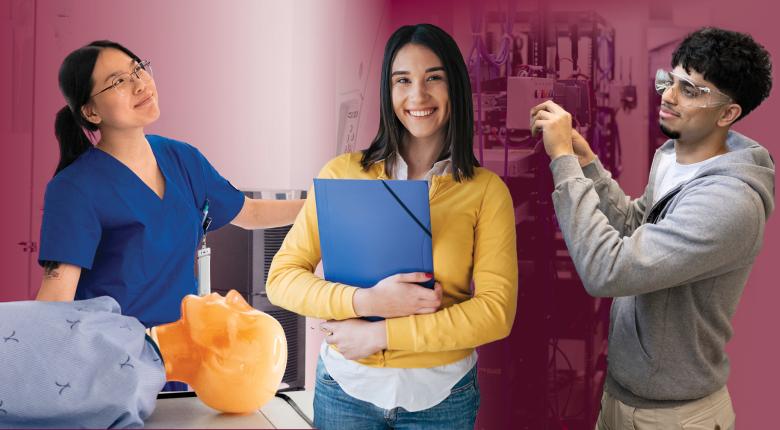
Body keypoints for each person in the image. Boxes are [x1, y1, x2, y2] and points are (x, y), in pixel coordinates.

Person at [266, 24, 518, 430]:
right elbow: (281, 279)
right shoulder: (342, 173)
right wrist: (366, 303)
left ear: (454, 85)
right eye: (403, 81)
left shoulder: (486, 192)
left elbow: (494, 313)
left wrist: (382, 335)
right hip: (346, 392)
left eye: (433, 78)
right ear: (388, 90)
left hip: (442, 400)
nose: (417, 96)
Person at [530, 27, 773, 429]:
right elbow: (635, 225)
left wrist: (562, 161)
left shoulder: (730, 203)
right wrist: (589, 163)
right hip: (623, 398)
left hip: (675, 417)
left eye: (691, 90)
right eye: (670, 80)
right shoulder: (672, 156)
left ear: (728, 113)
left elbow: (607, 269)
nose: (668, 96)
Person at [36, 40, 304, 328]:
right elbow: (56, 299)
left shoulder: (181, 158)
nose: (139, 84)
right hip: (116, 359)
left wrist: (324, 205)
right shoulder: (74, 189)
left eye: (138, 69)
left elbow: (248, 212)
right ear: (91, 112)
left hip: (184, 351)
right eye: (118, 82)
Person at [0, 290, 287, 428]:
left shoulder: (126, 391)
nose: (234, 295)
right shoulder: (120, 322)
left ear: (221, 357)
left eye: (241, 310)